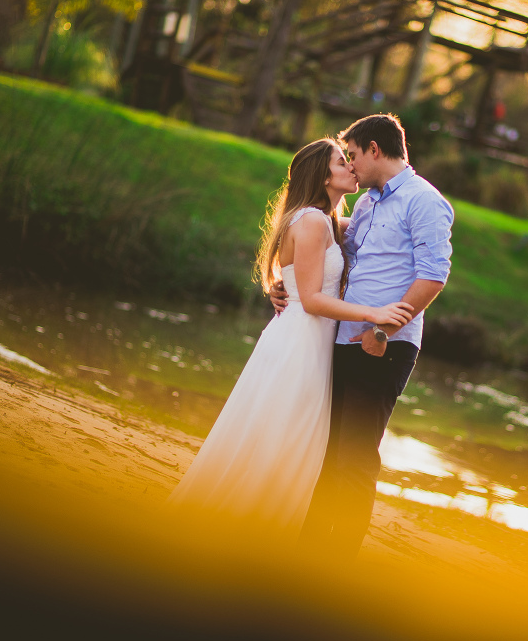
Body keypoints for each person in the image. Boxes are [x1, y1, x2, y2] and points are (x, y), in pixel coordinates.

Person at [167, 138, 414, 541]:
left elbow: (362, 248)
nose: (351, 166)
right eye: (342, 161)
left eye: (351, 159)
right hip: (302, 341)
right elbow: (314, 300)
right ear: (322, 174)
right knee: (285, 435)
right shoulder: (313, 221)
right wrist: (375, 314)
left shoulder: (325, 220)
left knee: (277, 432)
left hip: (305, 340)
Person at [274, 114, 454, 560]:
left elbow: (433, 276)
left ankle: (337, 560)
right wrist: (290, 285)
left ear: (375, 149)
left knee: (355, 455)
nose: (350, 165)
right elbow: (336, 258)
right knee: (326, 450)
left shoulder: (424, 201)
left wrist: (382, 329)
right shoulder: (369, 203)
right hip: (340, 338)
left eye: (352, 155)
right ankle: (308, 550)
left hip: (384, 344)